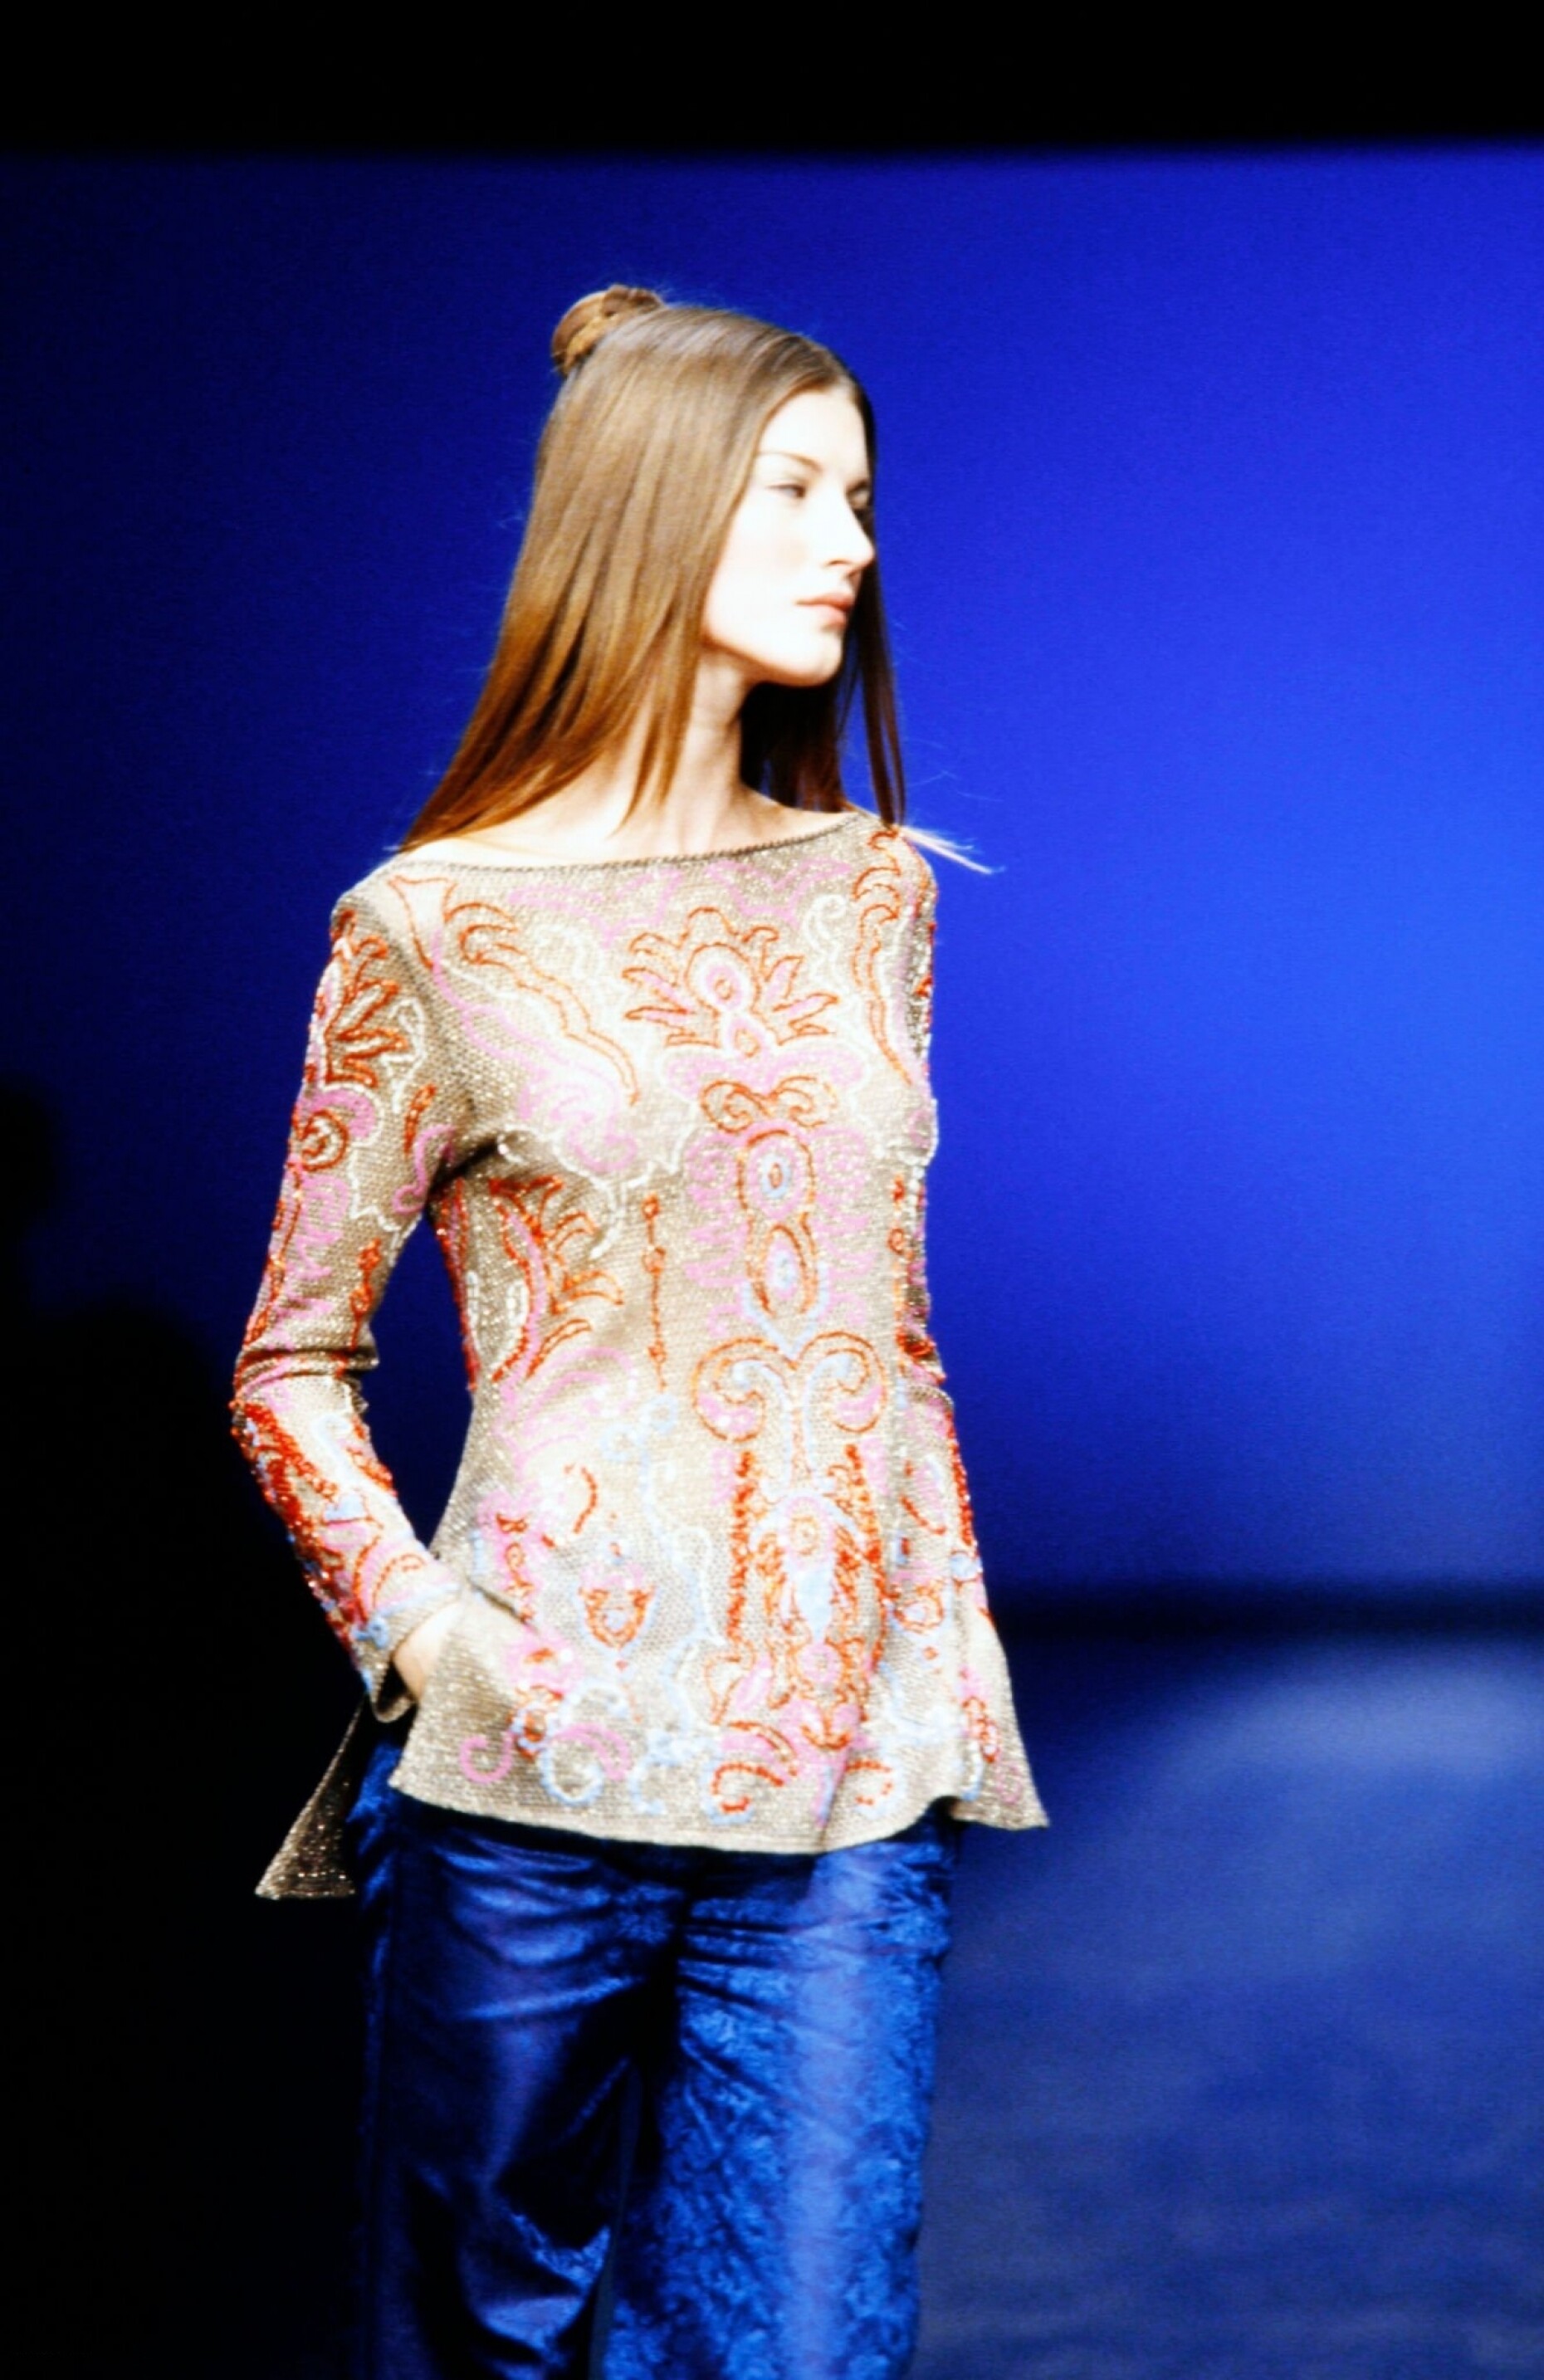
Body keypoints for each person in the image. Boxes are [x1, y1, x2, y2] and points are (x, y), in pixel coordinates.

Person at [233, 284, 1046, 2380]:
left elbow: (882, 1328)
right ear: (652, 506)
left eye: (859, 496)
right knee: (482, 2352)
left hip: (841, 1781)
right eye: (796, 491)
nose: (853, 544)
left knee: (807, 2347)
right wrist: (427, 1638)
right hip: (535, 1763)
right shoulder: (435, 927)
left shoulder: (877, 892)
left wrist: (929, 1651)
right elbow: (290, 1362)